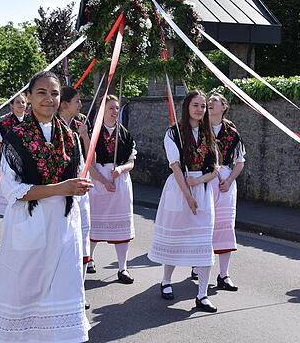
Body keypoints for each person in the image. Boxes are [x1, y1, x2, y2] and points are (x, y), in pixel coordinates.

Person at [0, 71, 93, 342]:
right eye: (42, 93)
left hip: (63, 224)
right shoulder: (15, 137)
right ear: (29, 97)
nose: (49, 99)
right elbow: (12, 190)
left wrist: (81, 184)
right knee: (27, 288)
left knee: (63, 289)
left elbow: (81, 174)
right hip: (29, 222)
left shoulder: (70, 138)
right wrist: (61, 188)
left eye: (55, 93)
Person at [148, 90, 220, 313]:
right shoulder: (174, 133)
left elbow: (216, 169)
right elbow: (175, 166)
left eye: (203, 106)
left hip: (202, 188)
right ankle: (166, 281)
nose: (200, 109)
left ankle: (202, 295)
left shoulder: (209, 133)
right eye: (196, 105)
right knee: (175, 237)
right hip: (179, 189)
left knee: (204, 241)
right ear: (187, 106)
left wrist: (199, 182)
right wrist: (188, 194)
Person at [87, 95, 137, 284]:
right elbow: (89, 165)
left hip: (120, 182)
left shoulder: (125, 134)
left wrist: (121, 169)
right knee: (95, 223)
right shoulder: (93, 133)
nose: (115, 111)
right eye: (111, 108)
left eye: (116, 108)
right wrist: (103, 181)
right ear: (102, 110)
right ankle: (89, 258)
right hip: (98, 181)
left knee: (122, 226)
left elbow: (131, 162)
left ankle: (122, 268)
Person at [206, 93, 245, 291]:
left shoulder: (232, 132)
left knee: (225, 226)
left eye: (215, 101)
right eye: (208, 101)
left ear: (224, 107)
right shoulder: (199, 128)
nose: (210, 103)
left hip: (226, 184)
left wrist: (229, 181)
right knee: (205, 226)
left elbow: (240, 161)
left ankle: (224, 275)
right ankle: (199, 265)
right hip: (205, 181)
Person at [58, 86, 94, 280]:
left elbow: (91, 158)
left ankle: (80, 286)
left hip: (81, 188)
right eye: (77, 101)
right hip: (64, 191)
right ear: (65, 104)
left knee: (82, 234)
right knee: (65, 238)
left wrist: (85, 135)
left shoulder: (79, 126)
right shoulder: (55, 127)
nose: (81, 104)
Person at [0, 92, 27, 215]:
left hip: (30, 165)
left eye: (23, 102)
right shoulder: (5, 124)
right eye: (17, 102)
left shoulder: (32, 121)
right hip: (11, 166)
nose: (21, 104)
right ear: (11, 105)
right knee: (11, 209)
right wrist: (13, 151)